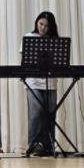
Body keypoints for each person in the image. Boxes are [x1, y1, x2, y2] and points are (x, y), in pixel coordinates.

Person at [21, 11, 59, 156]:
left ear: (51, 27)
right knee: (36, 112)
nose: (43, 28)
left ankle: (48, 146)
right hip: (33, 81)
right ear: (37, 22)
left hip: (50, 81)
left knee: (50, 114)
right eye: (41, 24)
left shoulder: (54, 40)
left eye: (46, 26)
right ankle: (34, 145)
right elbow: (24, 60)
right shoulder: (29, 37)